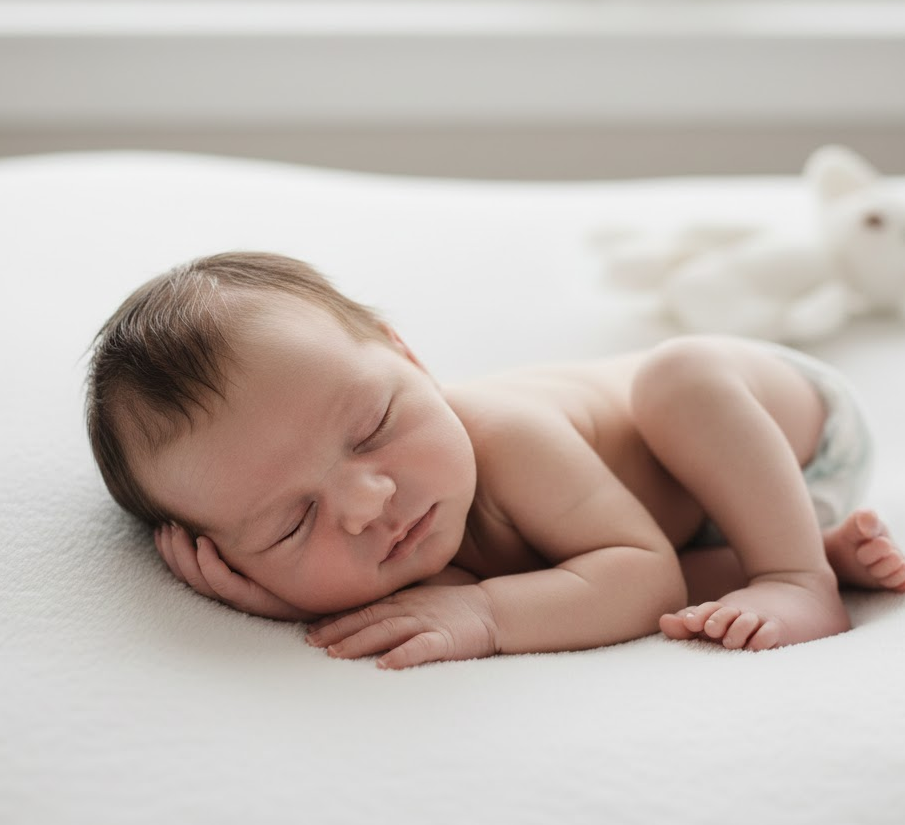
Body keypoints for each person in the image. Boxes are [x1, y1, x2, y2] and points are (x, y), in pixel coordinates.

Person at [86, 251, 905, 670]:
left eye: (372, 426)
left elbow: (639, 575)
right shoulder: (395, 550)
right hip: (689, 529)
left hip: (781, 430)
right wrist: (277, 600)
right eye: (290, 523)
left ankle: (798, 576)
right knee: (610, 582)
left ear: (407, 357)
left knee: (676, 376)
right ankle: (807, 550)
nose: (369, 500)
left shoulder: (501, 435)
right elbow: (603, 588)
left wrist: (483, 616)